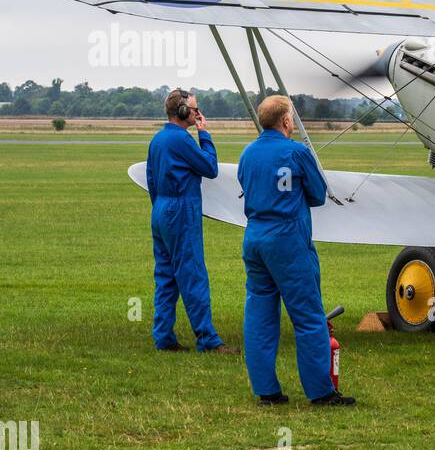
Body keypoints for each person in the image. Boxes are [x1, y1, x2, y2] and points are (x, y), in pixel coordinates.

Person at [237, 95, 354, 406]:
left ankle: (267, 391)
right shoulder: (297, 151)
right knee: (308, 315)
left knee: (260, 315)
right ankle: (321, 391)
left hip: (254, 238)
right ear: (286, 121)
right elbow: (317, 195)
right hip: (287, 239)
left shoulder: (247, 154)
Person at [146, 88, 235, 354]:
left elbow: (151, 179)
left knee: (166, 276)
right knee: (193, 273)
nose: (198, 114)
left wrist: (162, 207)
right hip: (181, 210)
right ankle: (208, 339)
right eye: (195, 109)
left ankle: (163, 337)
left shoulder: (158, 139)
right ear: (184, 111)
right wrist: (204, 134)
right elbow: (210, 168)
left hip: (160, 208)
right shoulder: (181, 140)